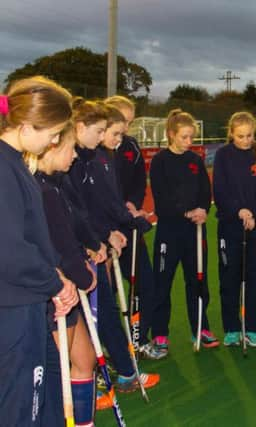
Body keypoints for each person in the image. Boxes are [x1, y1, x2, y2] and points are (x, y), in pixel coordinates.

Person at [67, 99, 159, 409]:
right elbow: (77, 211)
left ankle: (122, 372)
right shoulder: (73, 162)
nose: (113, 138)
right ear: (80, 128)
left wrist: (116, 230)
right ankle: (103, 377)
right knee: (88, 317)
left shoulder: (97, 158)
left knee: (101, 309)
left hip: (96, 245)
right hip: (80, 252)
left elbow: (105, 202)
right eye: (106, 131)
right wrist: (99, 238)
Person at [0, 76, 78, 426]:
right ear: (30, 124)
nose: (56, 140)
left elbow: (30, 238)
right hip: (14, 309)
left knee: (46, 402)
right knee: (21, 409)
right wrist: (54, 283)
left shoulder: (16, 162)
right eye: (55, 131)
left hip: (30, 303)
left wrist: (54, 276)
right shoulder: (4, 168)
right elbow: (9, 249)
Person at [35, 123, 98, 426]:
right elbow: (57, 244)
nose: (74, 156)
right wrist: (82, 275)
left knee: (84, 362)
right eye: (70, 148)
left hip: (68, 289)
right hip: (55, 295)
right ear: (53, 147)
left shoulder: (57, 184)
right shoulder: (42, 190)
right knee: (56, 374)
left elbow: (72, 230)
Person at [150, 109, 217, 353]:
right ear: (171, 135)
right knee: (162, 282)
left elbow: (204, 191)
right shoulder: (160, 162)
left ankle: (201, 327)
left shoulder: (195, 161)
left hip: (195, 231)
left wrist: (202, 211)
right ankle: (159, 333)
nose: (189, 142)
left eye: (192, 137)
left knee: (198, 281)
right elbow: (161, 200)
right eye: (185, 137)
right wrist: (186, 213)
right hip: (169, 232)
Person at [104, 95, 160, 360]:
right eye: (121, 121)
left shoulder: (131, 146)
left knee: (144, 284)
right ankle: (109, 350)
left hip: (129, 229)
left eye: (129, 121)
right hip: (103, 233)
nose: (125, 128)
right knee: (108, 293)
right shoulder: (93, 151)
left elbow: (139, 182)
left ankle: (139, 339)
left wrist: (133, 204)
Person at [213, 112, 256, 348]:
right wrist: (239, 211)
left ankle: (252, 327)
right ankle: (231, 327)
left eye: (249, 135)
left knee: (254, 277)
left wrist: (254, 214)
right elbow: (219, 189)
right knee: (229, 276)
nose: (246, 140)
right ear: (231, 134)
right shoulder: (223, 155)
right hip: (230, 224)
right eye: (240, 136)